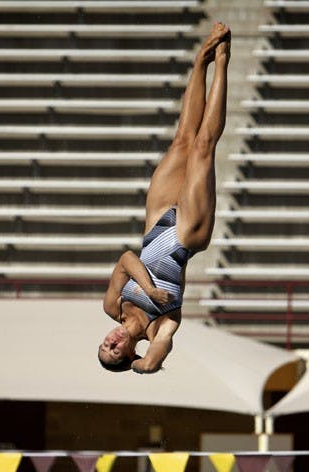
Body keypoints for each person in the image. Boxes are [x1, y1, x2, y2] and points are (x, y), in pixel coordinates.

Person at [98, 22, 230, 374]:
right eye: (114, 352)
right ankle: (223, 59)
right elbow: (157, 353)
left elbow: (127, 259)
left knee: (183, 139)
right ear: (129, 354)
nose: (110, 342)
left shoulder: (113, 306)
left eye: (104, 345)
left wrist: (148, 289)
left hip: (155, 226)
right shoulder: (161, 327)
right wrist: (144, 367)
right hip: (185, 237)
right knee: (203, 147)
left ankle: (201, 59)